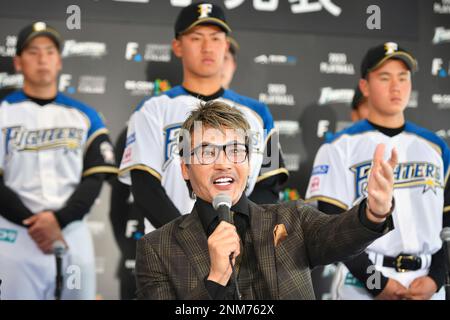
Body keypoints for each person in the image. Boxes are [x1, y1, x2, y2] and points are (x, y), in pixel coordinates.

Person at [134, 100, 397, 300]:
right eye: (207, 152)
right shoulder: (156, 249)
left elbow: (339, 235)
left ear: (249, 162)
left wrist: (374, 212)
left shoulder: (293, 220)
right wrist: (214, 279)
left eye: (235, 150)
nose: (223, 163)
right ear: (185, 168)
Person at [119, 2, 288, 234]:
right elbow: (144, 186)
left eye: (216, 38)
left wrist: (236, 233)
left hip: (238, 249)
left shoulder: (260, 113)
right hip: (170, 250)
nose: (207, 47)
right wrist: (191, 239)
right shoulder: (151, 109)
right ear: (177, 46)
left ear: (226, 46)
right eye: (196, 38)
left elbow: (267, 186)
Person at [306, 42, 450, 300]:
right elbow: (332, 228)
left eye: (403, 77)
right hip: (362, 283)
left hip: (426, 283)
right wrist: (376, 283)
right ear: (365, 86)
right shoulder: (338, 146)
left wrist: (436, 279)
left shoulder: (436, 147)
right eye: (385, 77)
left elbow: (447, 222)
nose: (396, 86)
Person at [0, 22, 117, 299]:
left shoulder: (85, 115)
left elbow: (95, 177)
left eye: (49, 52)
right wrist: (37, 224)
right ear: (18, 62)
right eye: (33, 52)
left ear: (59, 61)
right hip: (14, 236)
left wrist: (60, 220)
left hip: (71, 232)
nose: (42, 59)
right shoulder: (3, 113)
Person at [109, 127, 145, 300]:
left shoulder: (197, 124)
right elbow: (116, 207)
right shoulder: (133, 129)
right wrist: (127, 249)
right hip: (134, 255)